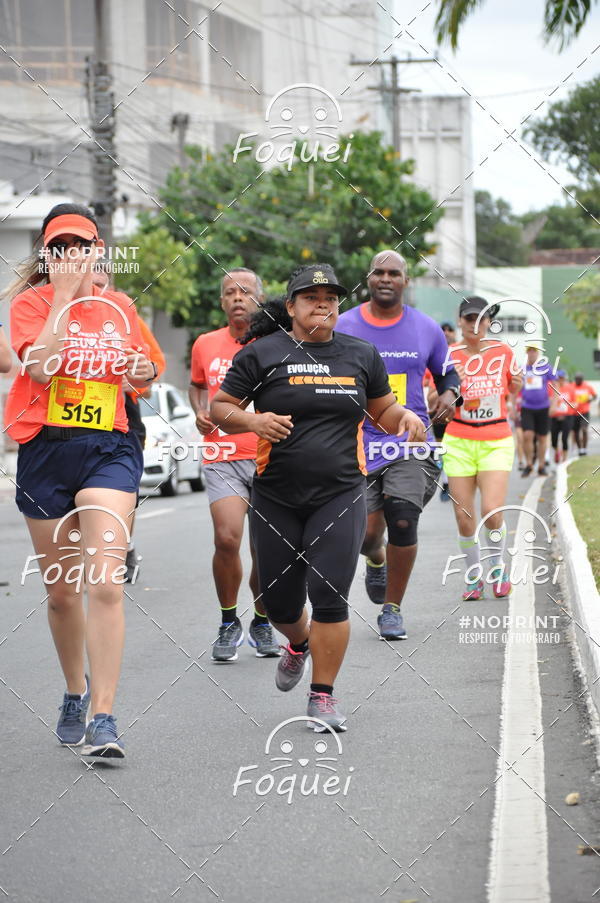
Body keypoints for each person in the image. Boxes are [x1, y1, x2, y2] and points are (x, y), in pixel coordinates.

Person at [211, 263, 425, 731]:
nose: (322, 304)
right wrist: (252, 422)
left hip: (341, 493)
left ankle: (322, 695)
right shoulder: (263, 354)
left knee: (329, 595)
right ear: (291, 307)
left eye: (330, 297)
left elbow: (382, 409)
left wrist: (404, 417)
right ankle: (298, 643)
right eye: (311, 297)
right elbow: (219, 408)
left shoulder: (360, 354)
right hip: (276, 497)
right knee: (280, 601)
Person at [2, 203, 157, 758]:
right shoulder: (28, 305)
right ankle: (75, 689)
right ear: (48, 254)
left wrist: (142, 370)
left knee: (105, 583)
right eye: (60, 247)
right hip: (45, 448)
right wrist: (64, 299)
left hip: (109, 450)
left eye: (81, 245)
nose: (72, 255)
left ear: (97, 251)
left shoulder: (118, 305)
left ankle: (105, 715)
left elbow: (141, 368)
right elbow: (40, 367)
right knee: (63, 595)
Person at [336, 250, 460, 640]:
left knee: (403, 518)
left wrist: (451, 395)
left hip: (410, 442)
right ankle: (376, 559)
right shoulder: (344, 325)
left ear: (406, 281)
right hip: (357, 446)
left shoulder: (426, 329)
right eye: (378, 272)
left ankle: (392, 609)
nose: (386, 278)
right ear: (368, 279)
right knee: (367, 536)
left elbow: (448, 375)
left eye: (394, 273)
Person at [189, 267, 280, 662]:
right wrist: (198, 411)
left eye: (245, 291)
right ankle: (229, 620)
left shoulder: (277, 342)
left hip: (268, 455)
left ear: (260, 297)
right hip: (222, 454)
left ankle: (261, 619)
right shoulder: (205, 344)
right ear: (222, 301)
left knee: (265, 547)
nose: (238, 298)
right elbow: (197, 386)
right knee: (227, 538)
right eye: (230, 292)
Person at [443, 297, 522, 600]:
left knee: (491, 510)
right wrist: (452, 386)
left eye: (481, 319)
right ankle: (474, 577)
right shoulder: (448, 355)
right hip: (459, 439)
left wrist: (516, 381)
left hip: (496, 439)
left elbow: (513, 388)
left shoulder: (502, 351)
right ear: (460, 321)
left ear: (489, 322)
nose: (475, 325)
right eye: (468, 318)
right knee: (464, 517)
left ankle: (498, 567)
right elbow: (435, 400)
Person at [92, 266, 166, 581]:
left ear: (111, 286)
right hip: (77, 412)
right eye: (87, 282)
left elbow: (155, 363)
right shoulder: (63, 314)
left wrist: (133, 381)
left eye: (100, 283)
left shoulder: (124, 314)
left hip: (124, 411)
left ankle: (124, 546)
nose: (94, 289)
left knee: (125, 488)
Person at [520, 342, 554, 477]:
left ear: (538, 353)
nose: (532, 353)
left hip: (543, 407)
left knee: (542, 438)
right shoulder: (522, 369)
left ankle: (541, 465)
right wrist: (511, 405)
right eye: (530, 351)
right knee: (527, 435)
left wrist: (555, 403)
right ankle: (528, 464)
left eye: (534, 351)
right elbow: (514, 388)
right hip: (527, 407)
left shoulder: (545, 367)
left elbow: (556, 384)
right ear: (527, 353)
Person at [549, 370, 575, 465]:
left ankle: (564, 460)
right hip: (555, 417)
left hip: (567, 416)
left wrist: (568, 405)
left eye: (562, 378)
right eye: (559, 378)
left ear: (565, 378)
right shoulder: (552, 388)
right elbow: (549, 401)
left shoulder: (570, 388)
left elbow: (575, 403)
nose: (561, 380)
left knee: (564, 438)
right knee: (553, 440)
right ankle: (557, 451)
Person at [571, 372, 597, 457]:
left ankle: (585, 448)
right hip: (574, 412)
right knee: (576, 432)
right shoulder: (571, 386)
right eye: (577, 379)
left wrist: (590, 399)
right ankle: (580, 449)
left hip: (584, 412)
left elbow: (595, 396)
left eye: (580, 379)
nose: (578, 381)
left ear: (582, 379)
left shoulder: (587, 386)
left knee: (584, 429)